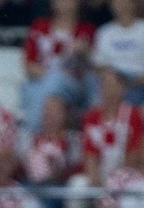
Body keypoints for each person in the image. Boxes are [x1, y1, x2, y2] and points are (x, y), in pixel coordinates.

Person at [22, 0, 95, 129]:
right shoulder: (39, 26)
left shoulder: (86, 30)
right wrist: (52, 76)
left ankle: (32, 135)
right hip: (40, 81)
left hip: (73, 85)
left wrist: (84, 52)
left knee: (50, 85)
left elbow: (94, 67)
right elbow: (29, 67)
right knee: (48, 85)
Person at [92, 0, 144, 106]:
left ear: (134, 3)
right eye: (117, 2)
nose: (122, 5)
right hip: (112, 82)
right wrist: (116, 83)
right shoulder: (104, 32)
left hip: (140, 83)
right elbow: (100, 66)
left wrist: (131, 83)